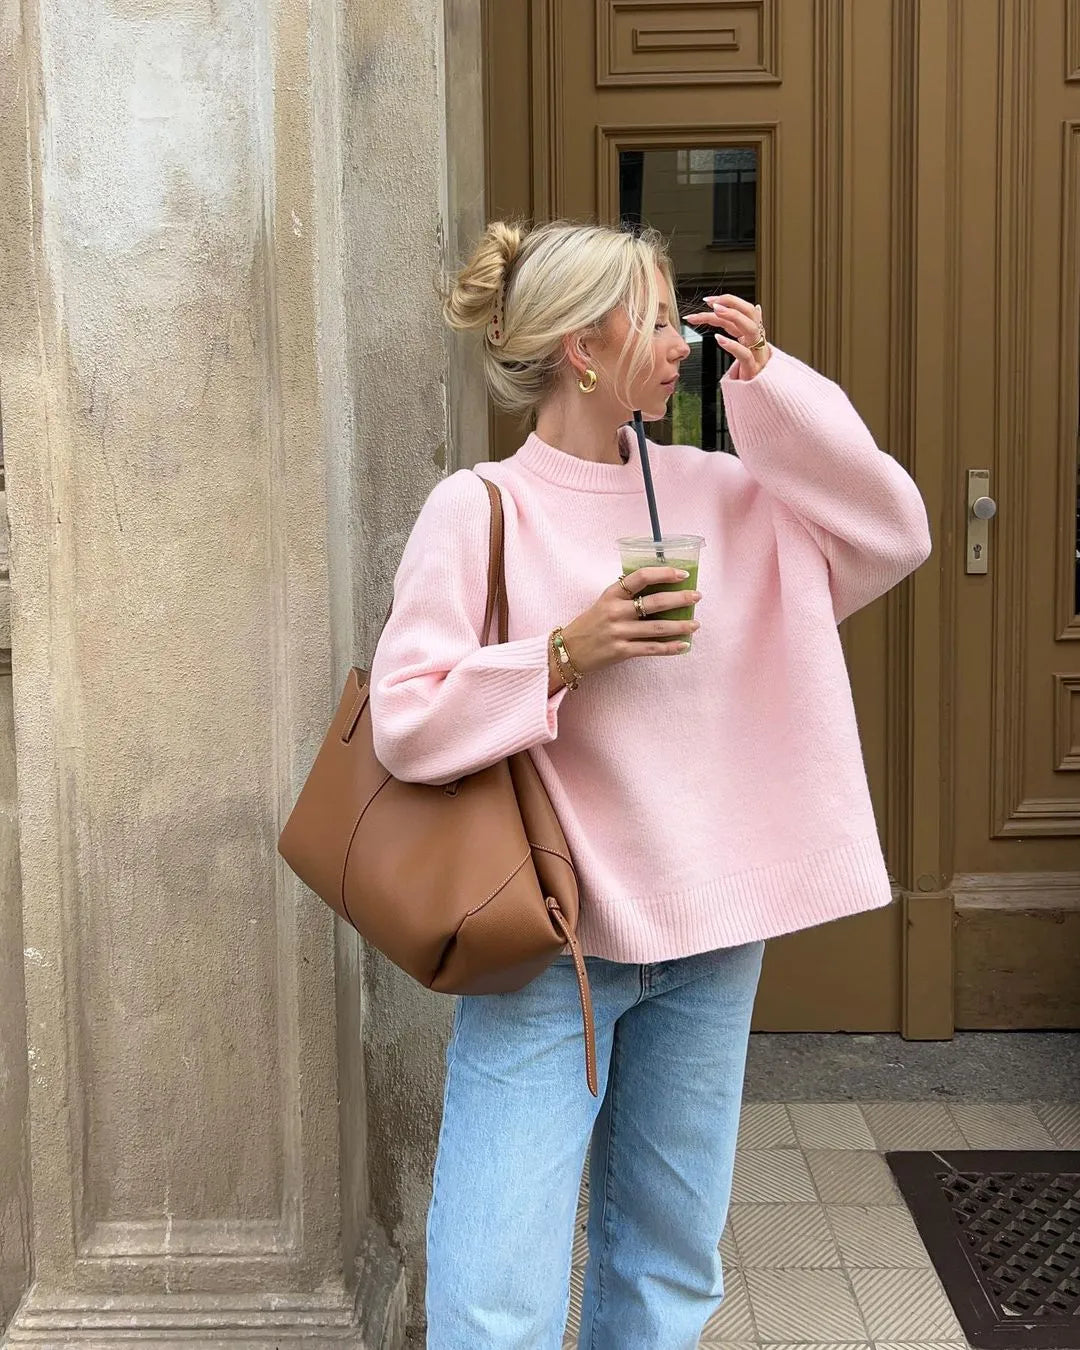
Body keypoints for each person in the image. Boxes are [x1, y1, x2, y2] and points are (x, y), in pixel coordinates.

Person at [368, 220, 932, 1349]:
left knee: (668, 1267)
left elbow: (891, 530)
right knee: (492, 1294)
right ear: (586, 344)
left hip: (713, 936)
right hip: (551, 947)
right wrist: (566, 654)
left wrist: (771, 391)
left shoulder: (722, 492)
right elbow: (404, 722)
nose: (684, 339)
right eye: (662, 316)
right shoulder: (480, 507)